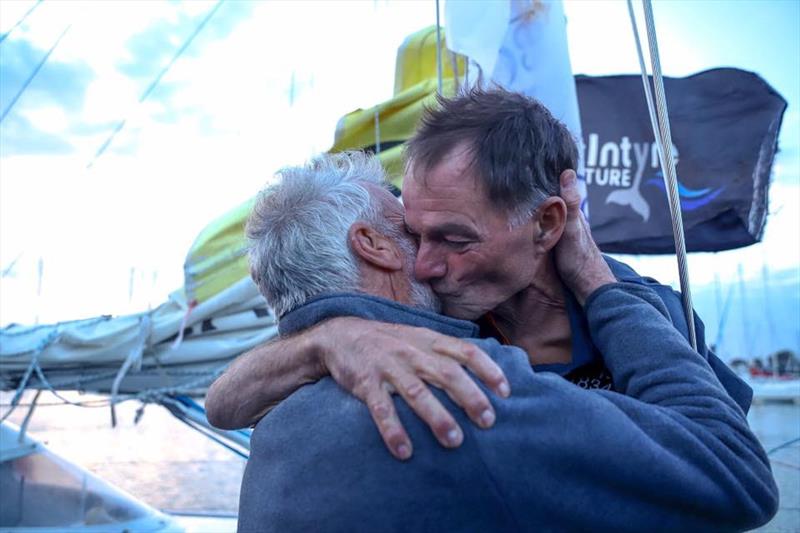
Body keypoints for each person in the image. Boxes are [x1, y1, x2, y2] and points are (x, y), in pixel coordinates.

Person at [236, 151, 777, 532]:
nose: (433, 258)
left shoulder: (273, 417)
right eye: (418, 234)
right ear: (374, 245)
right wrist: (595, 281)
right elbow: (735, 474)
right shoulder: (462, 389)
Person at [206, 88, 750, 462]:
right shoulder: (432, 313)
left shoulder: (645, 308)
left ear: (546, 223)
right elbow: (225, 403)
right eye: (417, 233)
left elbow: (724, 450)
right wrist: (328, 340)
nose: (423, 263)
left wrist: (597, 285)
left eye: (454, 238)